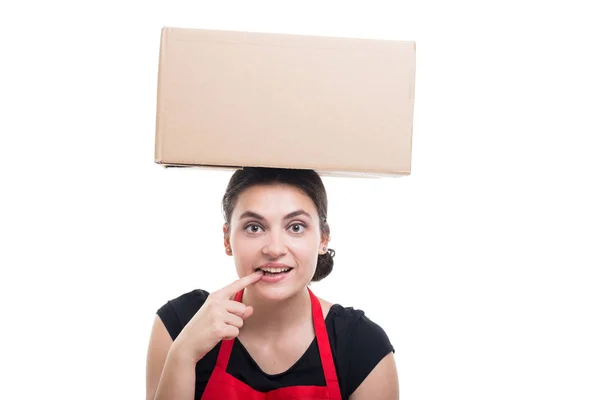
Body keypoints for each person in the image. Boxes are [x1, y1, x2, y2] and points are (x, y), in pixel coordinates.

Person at [146, 167, 399, 400]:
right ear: (227, 240)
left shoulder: (362, 346)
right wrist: (183, 354)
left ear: (323, 239)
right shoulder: (180, 323)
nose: (274, 248)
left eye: (296, 227)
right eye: (254, 228)